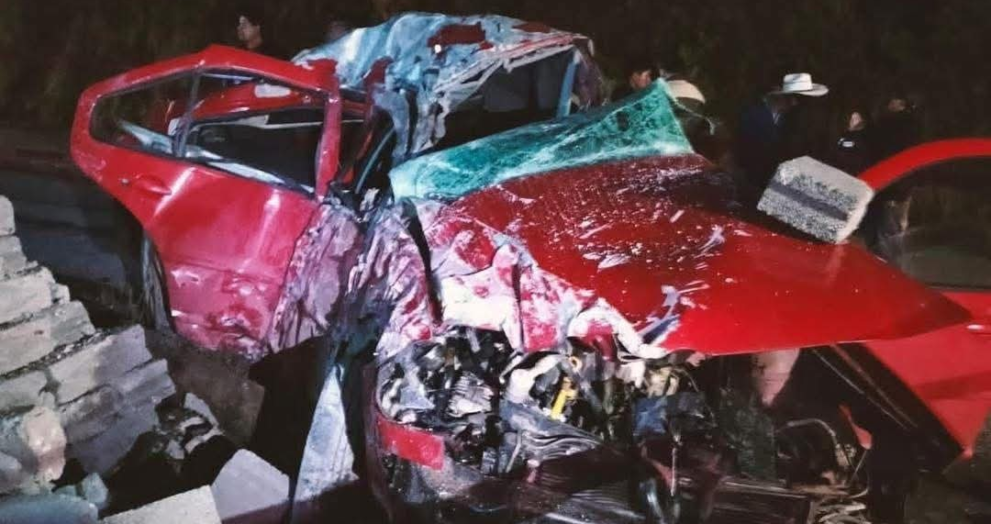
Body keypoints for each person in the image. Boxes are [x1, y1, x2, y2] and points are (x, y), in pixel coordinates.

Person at [736, 73, 828, 186]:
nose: (795, 104)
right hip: (752, 176)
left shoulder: (788, 118)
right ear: (780, 96)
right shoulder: (753, 113)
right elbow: (745, 145)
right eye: (792, 98)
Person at [869, 93, 921, 163]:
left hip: (906, 154)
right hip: (892, 156)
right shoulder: (884, 121)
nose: (895, 105)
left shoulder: (908, 119)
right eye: (893, 103)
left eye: (901, 104)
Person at [832, 109, 871, 174]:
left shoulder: (862, 135)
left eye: (857, 118)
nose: (853, 120)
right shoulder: (846, 137)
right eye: (852, 118)